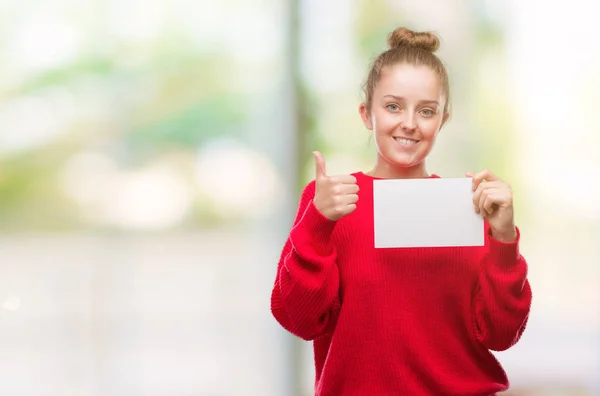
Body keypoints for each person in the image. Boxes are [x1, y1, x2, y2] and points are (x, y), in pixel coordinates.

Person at [270, 26, 532, 396]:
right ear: (367, 114)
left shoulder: (471, 206)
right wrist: (317, 223)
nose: (409, 123)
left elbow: (502, 335)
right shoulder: (330, 202)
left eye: (426, 111)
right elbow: (299, 319)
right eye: (393, 106)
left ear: (442, 120)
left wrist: (504, 239)